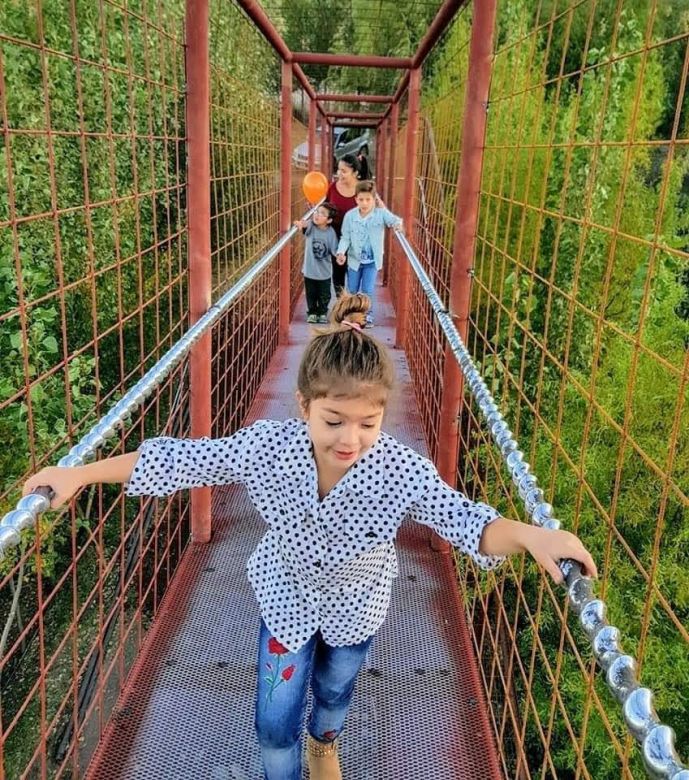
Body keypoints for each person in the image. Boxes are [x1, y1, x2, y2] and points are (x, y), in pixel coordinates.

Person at [23, 293, 597, 780]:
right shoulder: (269, 447)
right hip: (287, 594)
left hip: (358, 602)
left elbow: (466, 519)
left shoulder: (400, 468)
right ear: (304, 407)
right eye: (333, 421)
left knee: (334, 690)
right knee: (273, 721)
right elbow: (185, 460)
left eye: (368, 424)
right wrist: (80, 474)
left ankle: (325, 742)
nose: (351, 439)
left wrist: (530, 536)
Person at [336, 181, 401, 328]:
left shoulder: (380, 214)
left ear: (373, 199)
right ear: (355, 199)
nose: (364, 203)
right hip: (354, 259)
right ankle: (351, 314)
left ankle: (367, 315)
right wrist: (341, 252)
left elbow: (395, 220)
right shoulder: (350, 216)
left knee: (368, 289)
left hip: (372, 261)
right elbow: (345, 237)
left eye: (368, 199)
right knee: (352, 288)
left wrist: (397, 225)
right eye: (361, 200)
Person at [294, 202, 338, 324]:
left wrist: (339, 256)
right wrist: (299, 224)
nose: (317, 215)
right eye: (317, 212)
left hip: (324, 271)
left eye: (322, 214)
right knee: (311, 294)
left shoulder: (331, 233)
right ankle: (312, 312)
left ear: (329, 220)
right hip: (310, 270)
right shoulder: (311, 226)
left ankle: (322, 312)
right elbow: (304, 225)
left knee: (325, 294)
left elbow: (334, 249)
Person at [326, 154, 361, 297]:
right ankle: (342, 304)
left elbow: (376, 210)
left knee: (354, 273)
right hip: (336, 236)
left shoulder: (362, 190)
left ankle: (354, 304)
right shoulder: (332, 187)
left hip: (356, 238)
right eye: (339, 170)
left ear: (355, 174)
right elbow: (326, 207)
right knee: (338, 272)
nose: (339, 174)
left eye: (344, 171)